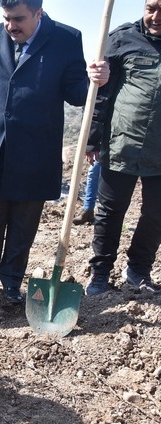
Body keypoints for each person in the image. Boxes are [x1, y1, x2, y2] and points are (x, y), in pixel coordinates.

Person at [0, 0, 109, 304]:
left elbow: (76, 93)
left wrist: (95, 81)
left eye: (19, 19)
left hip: (37, 149)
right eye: (6, 18)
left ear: (39, 13)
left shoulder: (66, 38)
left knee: (24, 223)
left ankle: (11, 283)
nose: (11, 26)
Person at [85, 0, 161, 295]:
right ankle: (100, 273)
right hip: (121, 144)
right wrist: (92, 138)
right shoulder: (121, 38)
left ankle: (138, 270)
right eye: (151, 7)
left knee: (156, 214)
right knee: (110, 211)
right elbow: (100, 94)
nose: (156, 16)